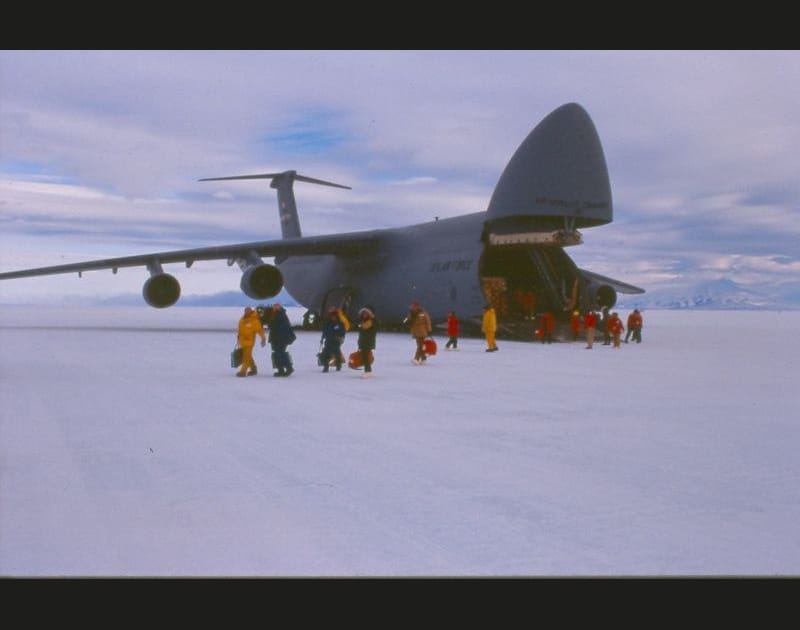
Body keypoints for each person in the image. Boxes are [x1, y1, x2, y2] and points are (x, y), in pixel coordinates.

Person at [235, 306, 266, 377]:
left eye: (247, 311)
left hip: (249, 342)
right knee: (248, 356)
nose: (246, 312)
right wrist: (238, 337)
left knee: (246, 357)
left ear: (251, 311)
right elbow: (240, 329)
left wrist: (263, 339)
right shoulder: (242, 319)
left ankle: (243, 372)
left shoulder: (255, 321)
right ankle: (254, 369)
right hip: (242, 341)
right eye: (245, 311)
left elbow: (260, 330)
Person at [268, 302, 296, 377]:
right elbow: (272, 326)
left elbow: (282, 327)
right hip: (275, 338)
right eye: (274, 307)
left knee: (280, 353)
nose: (275, 308)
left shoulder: (281, 315)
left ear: (280, 307)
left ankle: (288, 368)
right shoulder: (274, 315)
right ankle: (281, 370)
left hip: (281, 339)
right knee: (278, 354)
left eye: (276, 307)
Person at [319, 307, 346, 373]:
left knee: (337, 354)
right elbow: (324, 332)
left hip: (336, 341)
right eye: (332, 316)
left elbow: (342, 332)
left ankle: (338, 365)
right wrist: (322, 339)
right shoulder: (327, 324)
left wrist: (341, 337)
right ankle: (326, 367)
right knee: (326, 354)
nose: (333, 317)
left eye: (334, 316)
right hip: (328, 340)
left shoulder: (340, 324)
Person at [406, 300, 432, 364]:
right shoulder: (411, 313)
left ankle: (416, 358)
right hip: (415, 332)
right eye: (412, 306)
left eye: (414, 306)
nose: (412, 307)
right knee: (419, 345)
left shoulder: (423, 313)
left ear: (417, 306)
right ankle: (423, 358)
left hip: (422, 331)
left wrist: (429, 330)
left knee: (420, 346)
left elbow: (427, 321)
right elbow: (406, 320)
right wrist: (406, 321)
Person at [357, 306, 377, 378]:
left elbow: (365, 328)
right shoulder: (363, 321)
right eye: (363, 313)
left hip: (368, 342)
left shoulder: (372, 321)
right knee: (364, 356)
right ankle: (367, 370)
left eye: (366, 313)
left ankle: (368, 371)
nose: (364, 315)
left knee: (366, 357)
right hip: (363, 341)